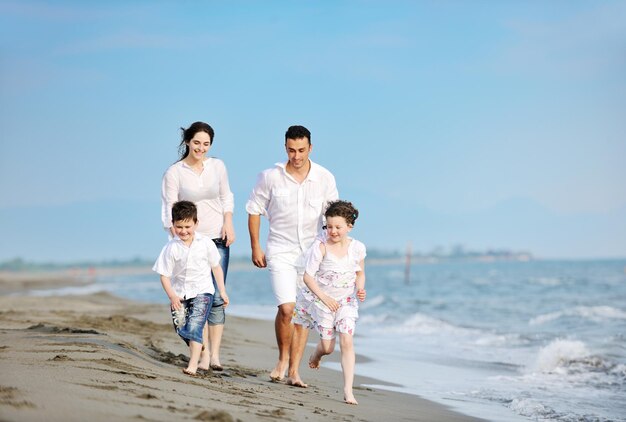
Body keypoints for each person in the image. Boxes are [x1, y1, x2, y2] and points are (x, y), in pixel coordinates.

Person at [246, 125, 338, 387]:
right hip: (280, 249)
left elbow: (332, 217)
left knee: (303, 313)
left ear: (310, 148)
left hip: (312, 253)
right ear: (284, 147)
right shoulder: (269, 177)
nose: (296, 156)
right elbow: (254, 210)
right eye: (291, 150)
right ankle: (282, 358)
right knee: (287, 309)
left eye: (301, 150)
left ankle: (295, 371)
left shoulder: (324, 178)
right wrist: (255, 246)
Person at [161, 121, 234, 371]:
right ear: (188, 142)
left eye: (206, 144)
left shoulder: (218, 166)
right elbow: (168, 207)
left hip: (216, 237)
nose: (201, 148)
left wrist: (229, 223)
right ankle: (198, 347)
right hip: (189, 241)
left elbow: (226, 196)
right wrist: (179, 240)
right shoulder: (175, 172)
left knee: (214, 296)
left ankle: (213, 355)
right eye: (196, 143)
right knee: (190, 297)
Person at [293, 200, 366, 405]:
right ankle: (316, 355)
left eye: (338, 227)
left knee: (347, 341)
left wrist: (360, 288)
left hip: (346, 302)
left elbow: (360, 273)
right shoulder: (321, 247)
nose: (332, 231)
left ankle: (348, 390)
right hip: (323, 301)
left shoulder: (357, 248)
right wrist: (324, 298)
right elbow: (308, 277)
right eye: (329, 226)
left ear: (349, 226)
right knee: (327, 347)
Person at [153, 200, 229, 376]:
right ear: (173, 225)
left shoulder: (206, 243)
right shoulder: (170, 248)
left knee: (195, 325)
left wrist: (222, 291)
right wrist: (172, 295)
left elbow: (216, 267)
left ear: (196, 223)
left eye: (188, 226)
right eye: (179, 227)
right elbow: (164, 275)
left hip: (203, 291)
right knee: (181, 327)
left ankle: (193, 365)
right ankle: (202, 348)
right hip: (179, 294)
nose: (183, 231)